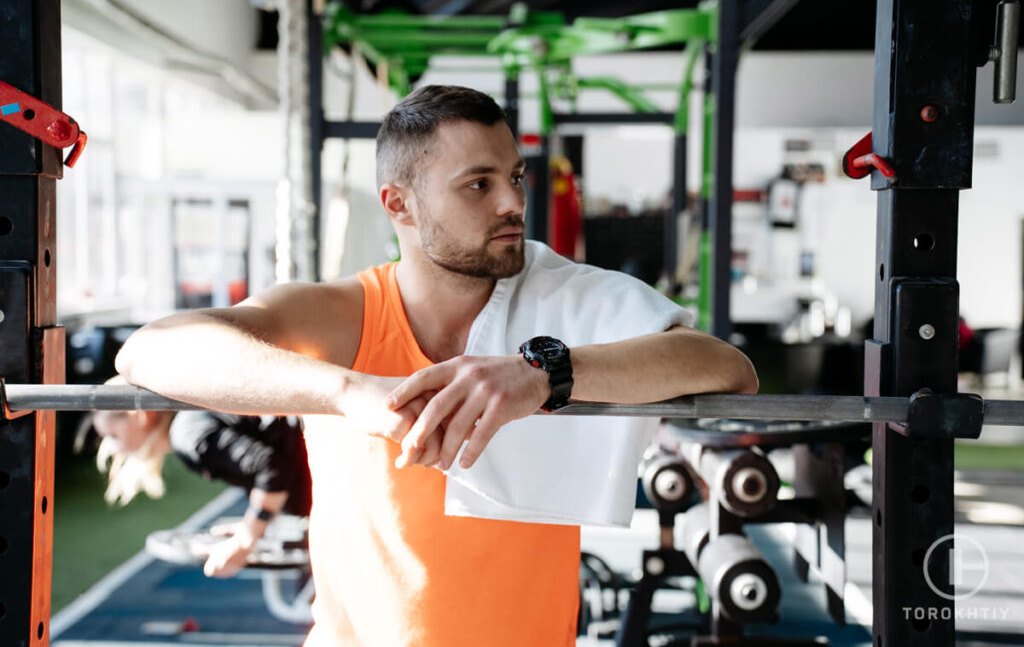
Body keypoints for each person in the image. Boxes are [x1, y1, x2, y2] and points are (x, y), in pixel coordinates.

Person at [115, 84, 758, 646]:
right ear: (399, 204)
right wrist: (347, 391)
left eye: (514, 177)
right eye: (479, 184)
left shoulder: (562, 301)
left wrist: (545, 376)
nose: (511, 202)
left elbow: (725, 367)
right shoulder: (348, 315)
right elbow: (148, 349)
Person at [89, 378, 311, 578]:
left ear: (141, 416)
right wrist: (250, 523)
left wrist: (247, 537)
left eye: (113, 436)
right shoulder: (188, 428)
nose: (114, 450)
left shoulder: (188, 438)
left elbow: (271, 467)